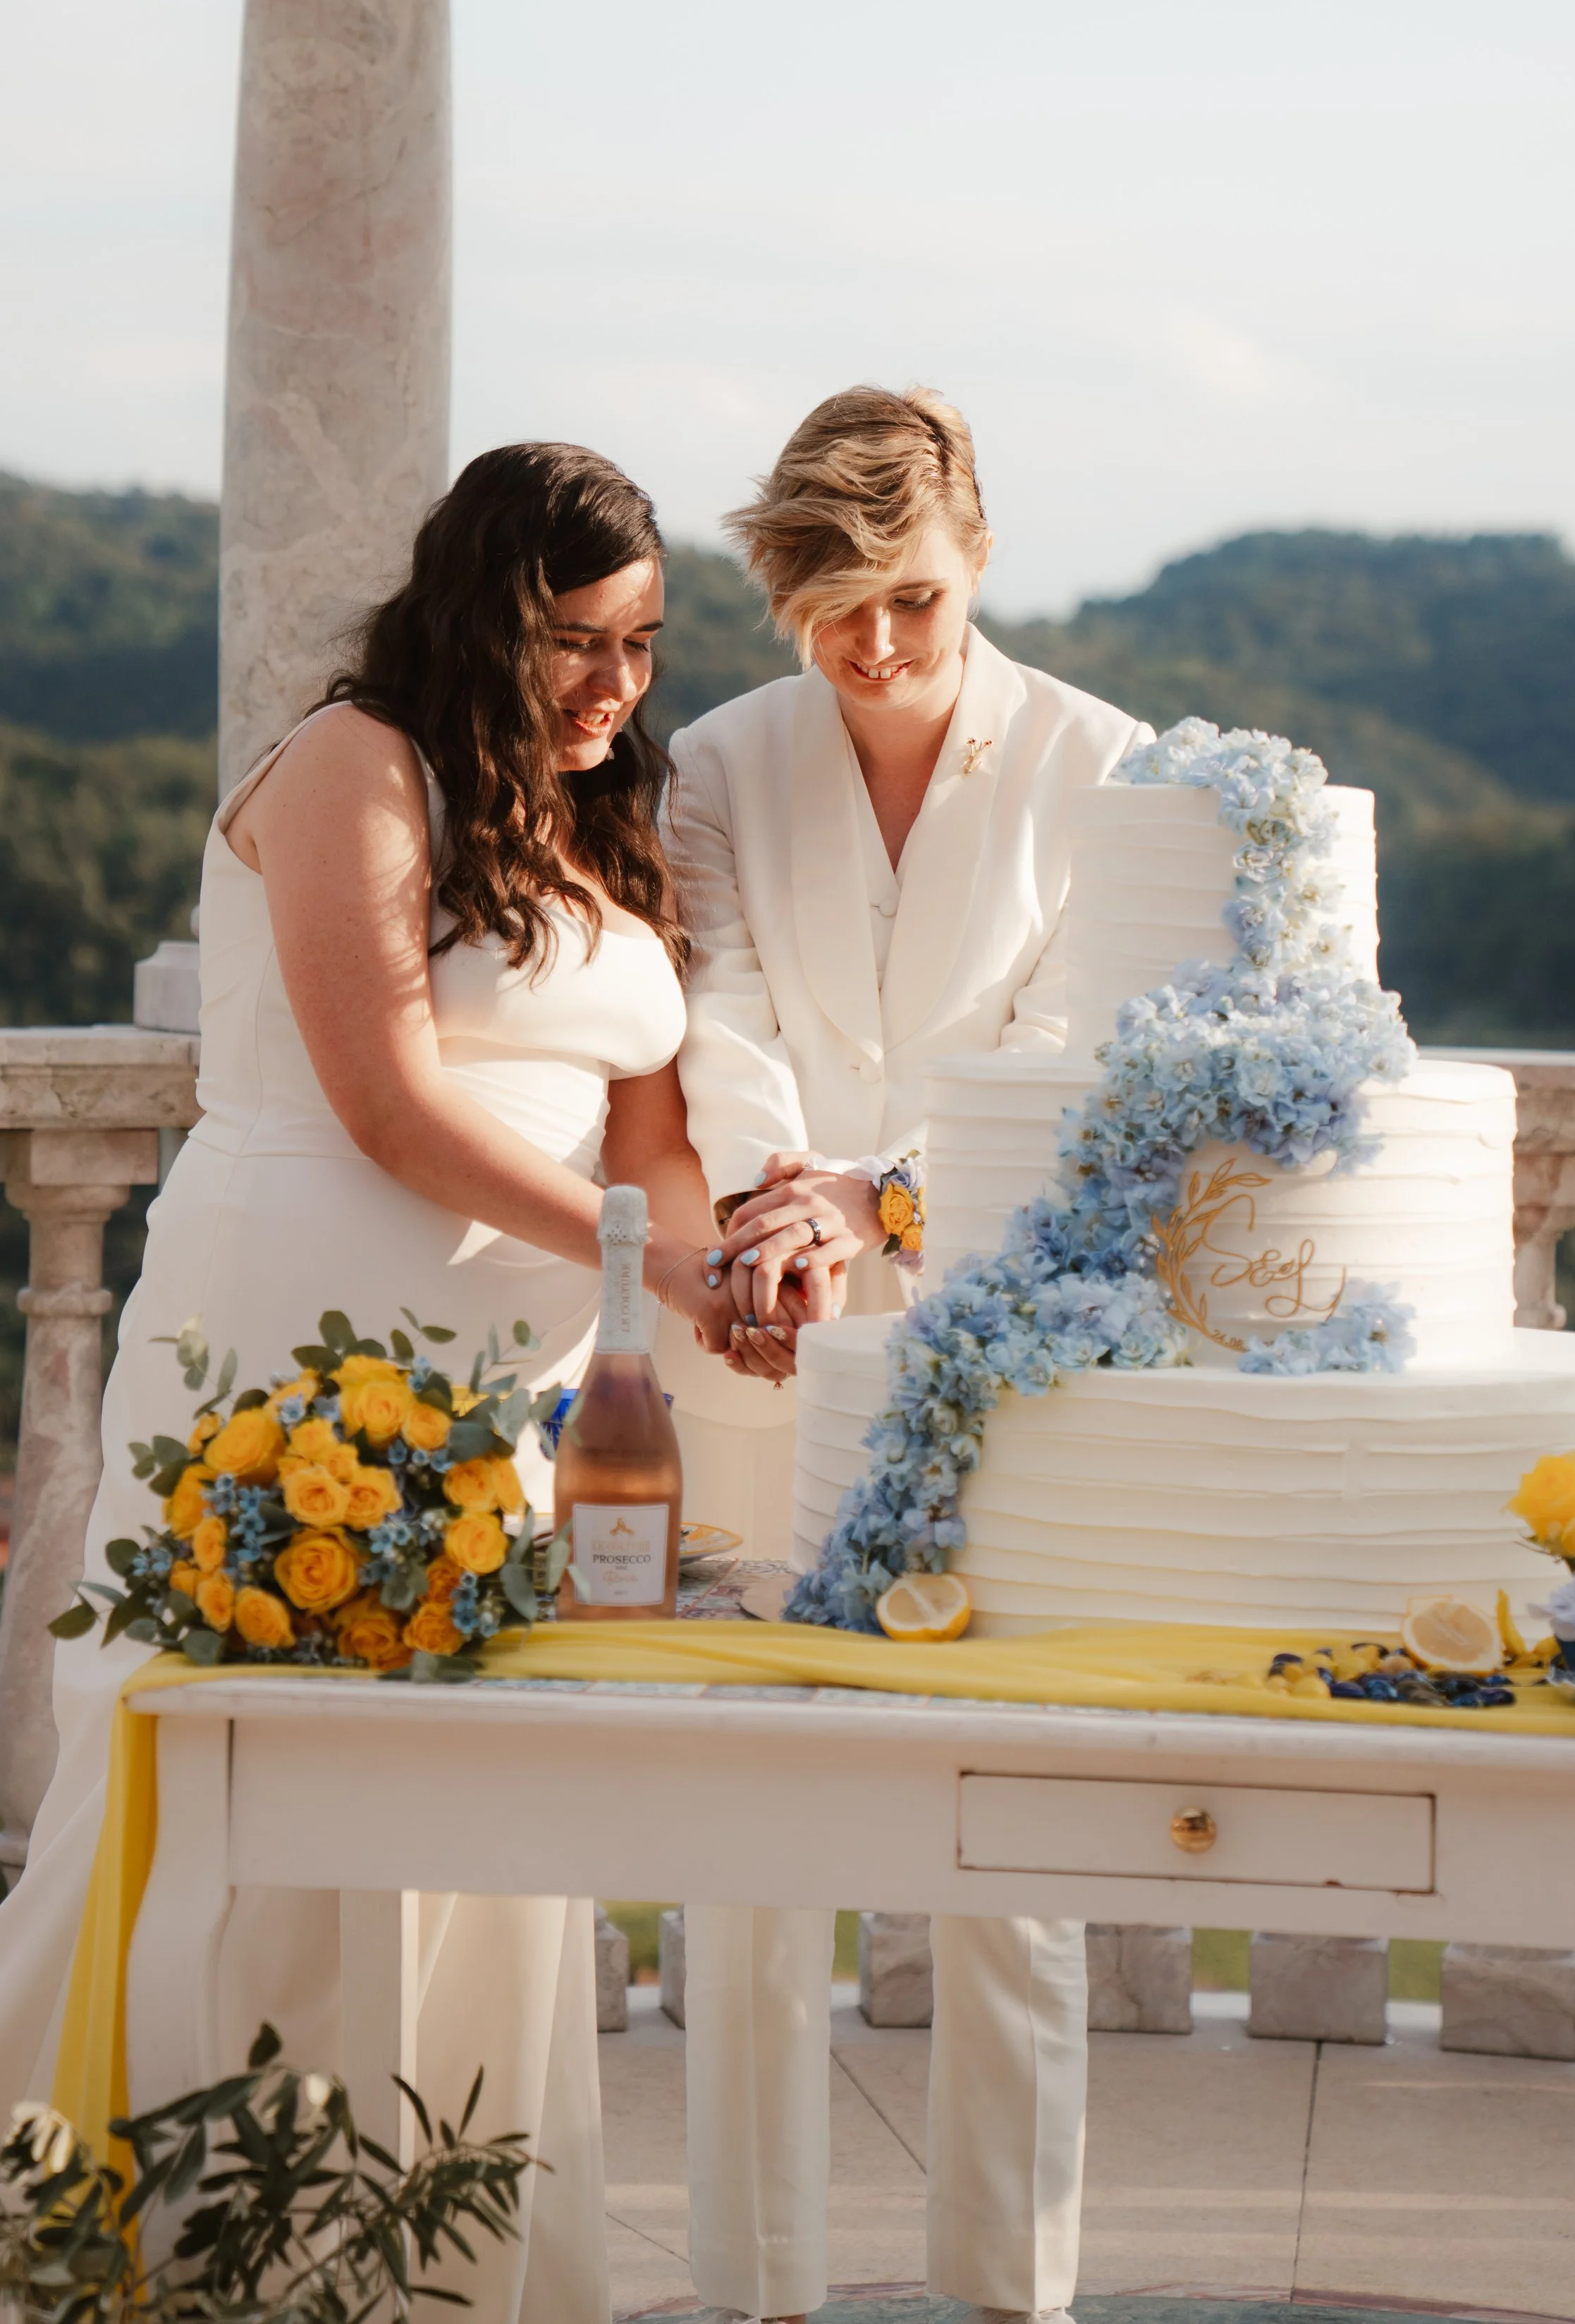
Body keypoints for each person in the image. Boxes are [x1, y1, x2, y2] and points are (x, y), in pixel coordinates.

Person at [0, 442, 737, 2324]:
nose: (611, 688)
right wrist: (648, 1254)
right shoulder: (351, 763)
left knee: (475, 1822)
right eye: (575, 641)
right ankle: (140, 2254)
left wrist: (712, 1270)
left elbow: (650, 1126)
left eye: (643, 645)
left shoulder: (603, 807)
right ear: (478, 612)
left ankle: (443, 2263)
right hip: (282, 1369)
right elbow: (391, 1103)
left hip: (516, 1402)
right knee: (235, 1793)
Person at [663, 386, 1151, 2324]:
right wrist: (779, 1211)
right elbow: (716, 998)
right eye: (832, 605)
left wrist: (882, 1198)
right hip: (752, 1335)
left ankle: (1003, 2295)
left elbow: (1072, 1056)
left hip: (983, 1343)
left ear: (977, 552)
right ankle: (755, 2288)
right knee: (747, 1821)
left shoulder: (1097, 769)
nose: (873, 642)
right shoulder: (713, 757)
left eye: (914, 600)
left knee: (1001, 1833)